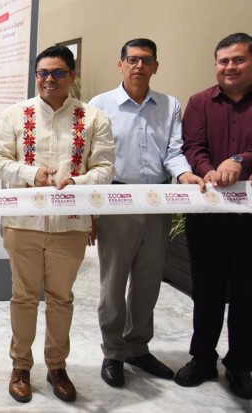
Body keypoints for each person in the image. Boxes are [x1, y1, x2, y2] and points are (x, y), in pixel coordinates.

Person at [0, 44, 114, 403]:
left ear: (72, 76)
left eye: (58, 73)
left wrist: (77, 181)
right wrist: (30, 174)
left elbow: (105, 168)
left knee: (61, 299)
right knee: (23, 297)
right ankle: (21, 366)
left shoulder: (93, 118)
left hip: (70, 225)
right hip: (23, 223)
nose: (49, 79)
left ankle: (57, 367)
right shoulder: (15, 114)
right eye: (43, 72)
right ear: (36, 76)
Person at [89, 38, 204, 388]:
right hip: (116, 199)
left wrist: (185, 175)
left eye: (146, 60)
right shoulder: (100, 105)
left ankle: (138, 347)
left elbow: (174, 151)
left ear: (155, 66)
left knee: (148, 281)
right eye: (132, 59)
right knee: (113, 282)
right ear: (120, 64)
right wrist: (89, 211)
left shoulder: (170, 105)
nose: (139, 65)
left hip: (157, 200)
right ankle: (113, 351)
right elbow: (91, 159)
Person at [175, 32, 252, 400]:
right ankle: (203, 358)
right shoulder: (199, 102)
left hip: (249, 217)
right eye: (224, 61)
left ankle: (240, 365)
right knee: (206, 290)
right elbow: (193, 146)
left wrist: (239, 161)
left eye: (238, 60)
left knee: (247, 292)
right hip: (208, 212)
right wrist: (208, 171)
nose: (230, 67)